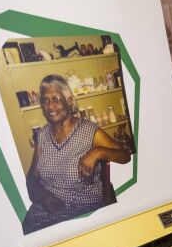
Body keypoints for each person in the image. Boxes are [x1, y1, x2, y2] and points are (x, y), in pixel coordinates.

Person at [22, 74, 131, 234]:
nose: (50, 106)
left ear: (70, 101)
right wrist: (43, 198)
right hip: (48, 208)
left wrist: (98, 151)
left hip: (82, 210)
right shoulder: (43, 135)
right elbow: (32, 178)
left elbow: (125, 156)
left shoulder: (89, 130)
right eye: (45, 101)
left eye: (56, 99)